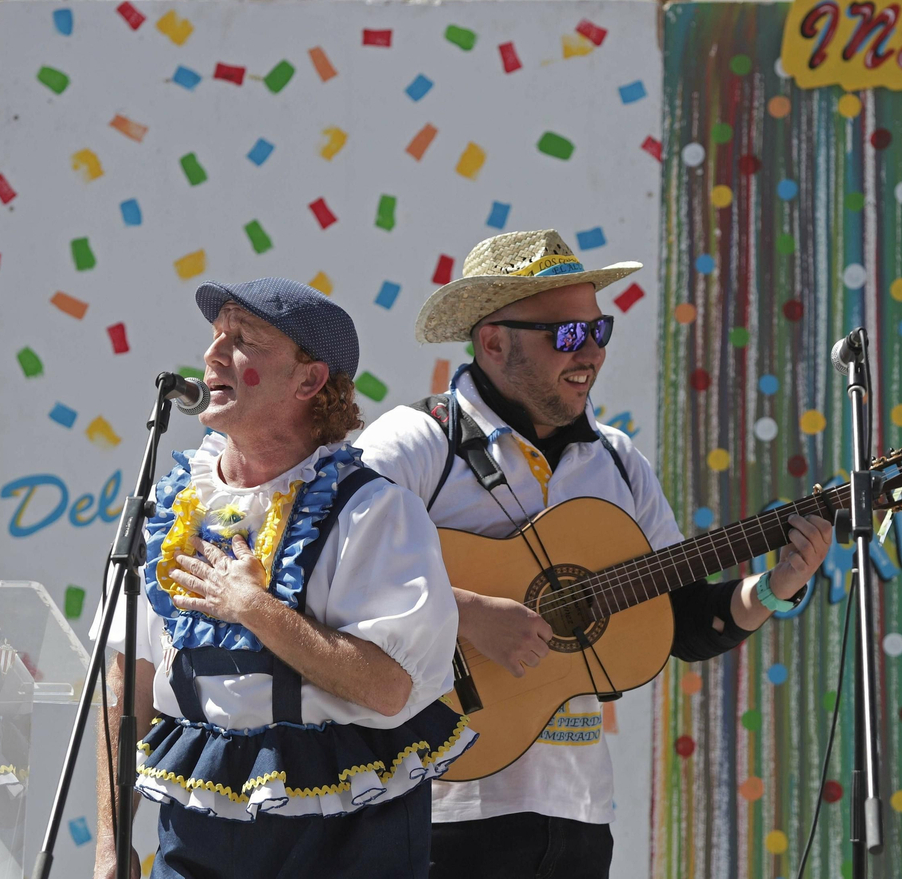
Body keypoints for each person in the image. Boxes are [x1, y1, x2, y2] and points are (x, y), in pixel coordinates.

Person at [354, 229, 833, 878]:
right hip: (439, 814)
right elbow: (330, 556)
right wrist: (465, 613)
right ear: (494, 341)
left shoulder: (617, 460)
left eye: (598, 331)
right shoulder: (417, 442)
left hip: (578, 818)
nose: (591, 355)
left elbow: (681, 620)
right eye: (567, 336)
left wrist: (775, 585)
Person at [92, 278, 475, 879]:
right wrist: (111, 847)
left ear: (309, 381)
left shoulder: (375, 512)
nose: (213, 355)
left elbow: (388, 688)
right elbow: (127, 683)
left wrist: (254, 608)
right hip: (197, 829)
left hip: (345, 833)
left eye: (243, 340)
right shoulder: (168, 507)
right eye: (216, 336)